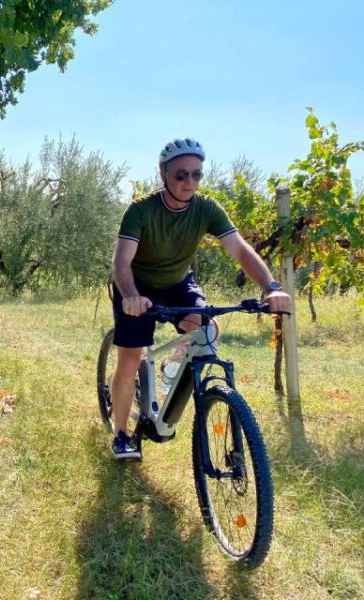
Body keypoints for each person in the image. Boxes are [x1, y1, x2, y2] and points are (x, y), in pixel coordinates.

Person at [109, 137, 291, 460]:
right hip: (135, 286)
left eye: (196, 175)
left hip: (178, 283)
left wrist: (271, 286)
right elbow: (122, 263)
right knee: (129, 359)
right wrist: (132, 297)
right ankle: (121, 433)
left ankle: (171, 364)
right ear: (164, 174)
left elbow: (240, 250)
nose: (189, 182)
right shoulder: (141, 211)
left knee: (207, 328)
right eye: (181, 175)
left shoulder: (206, 208)